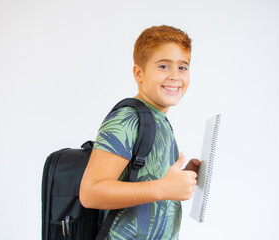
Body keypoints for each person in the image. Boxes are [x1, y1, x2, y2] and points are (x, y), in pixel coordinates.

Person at [80, 25, 201, 239]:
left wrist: (179, 180)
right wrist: (164, 188)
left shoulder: (159, 119)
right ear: (139, 73)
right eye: (163, 66)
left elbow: (143, 182)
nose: (175, 76)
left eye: (182, 67)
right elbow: (91, 193)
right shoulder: (127, 118)